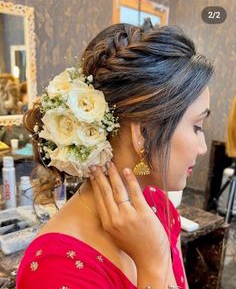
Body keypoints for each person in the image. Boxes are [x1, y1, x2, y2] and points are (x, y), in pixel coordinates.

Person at [16, 19, 214, 289]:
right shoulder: (55, 269)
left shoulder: (158, 206)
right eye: (196, 127)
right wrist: (152, 265)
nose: (202, 147)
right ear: (142, 133)